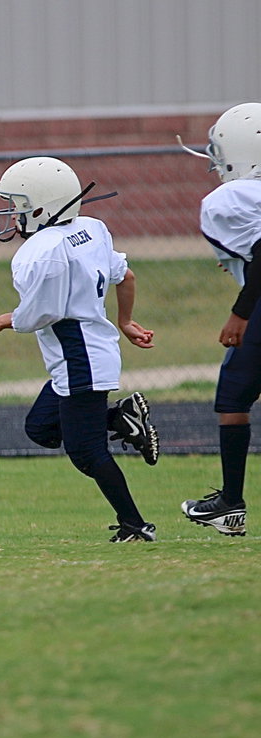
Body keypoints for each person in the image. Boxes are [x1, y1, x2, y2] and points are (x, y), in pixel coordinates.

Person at [0, 156, 159, 543]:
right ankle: (119, 418)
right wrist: (125, 321)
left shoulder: (40, 251)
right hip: (85, 354)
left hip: (81, 357)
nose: (12, 213)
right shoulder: (91, 229)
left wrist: (1, 320)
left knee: (87, 453)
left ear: (40, 206)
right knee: (40, 428)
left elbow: (40, 314)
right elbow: (126, 275)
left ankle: (135, 525)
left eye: (18, 204)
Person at [177, 102, 261, 537]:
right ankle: (229, 502)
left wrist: (239, 314)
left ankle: (230, 503)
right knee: (233, 396)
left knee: (232, 398)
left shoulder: (233, 198)